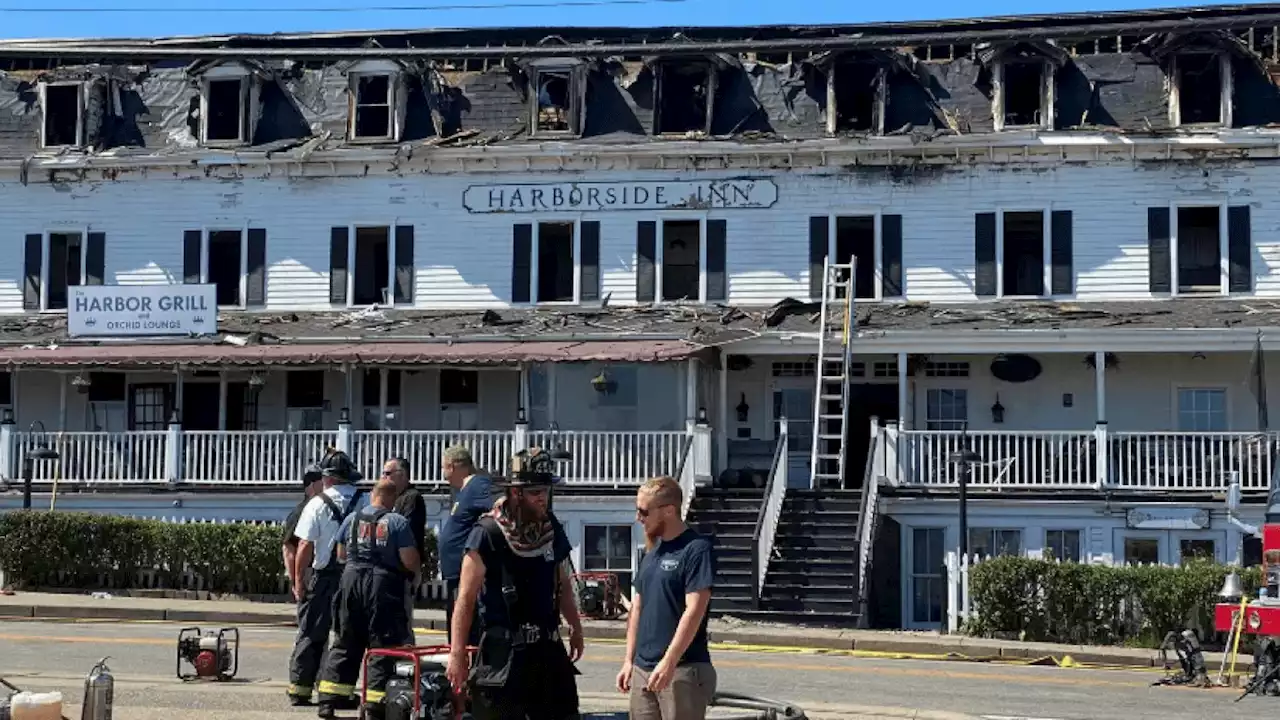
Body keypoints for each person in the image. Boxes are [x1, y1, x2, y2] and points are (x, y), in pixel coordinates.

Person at [446, 447, 584, 720]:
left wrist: (576, 627)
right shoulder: (487, 533)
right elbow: (465, 598)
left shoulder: (551, 528)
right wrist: (457, 653)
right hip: (504, 657)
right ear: (516, 493)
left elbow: (563, 584)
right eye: (535, 492)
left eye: (546, 491)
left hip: (547, 651)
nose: (543, 498)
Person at [316, 478, 421, 719]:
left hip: (351, 581)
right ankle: (375, 703)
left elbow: (341, 553)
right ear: (392, 498)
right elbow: (408, 559)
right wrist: (414, 578)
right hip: (382, 587)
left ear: (373, 495)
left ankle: (329, 699)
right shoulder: (396, 522)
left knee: (345, 639)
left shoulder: (351, 520)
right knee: (382, 643)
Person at [616, 476, 717, 720]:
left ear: (669, 511)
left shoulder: (696, 549)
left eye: (643, 511)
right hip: (643, 669)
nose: (638, 517)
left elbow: (694, 610)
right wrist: (629, 660)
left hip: (681, 669)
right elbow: (637, 608)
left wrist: (669, 661)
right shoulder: (652, 554)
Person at [286, 449, 369, 708]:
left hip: (324, 578)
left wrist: (299, 581)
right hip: (354, 578)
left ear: (327, 478)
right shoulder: (365, 500)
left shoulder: (317, 503)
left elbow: (304, 547)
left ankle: (300, 689)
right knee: (347, 637)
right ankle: (338, 692)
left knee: (312, 633)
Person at [436, 445, 494, 645]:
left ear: (451, 467)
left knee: (468, 633)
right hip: (455, 574)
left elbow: (498, 502)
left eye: (444, 468)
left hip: (467, 573)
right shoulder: (463, 491)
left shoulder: (478, 484)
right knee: (457, 631)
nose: (444, 475)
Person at [282, 465, 324, 592]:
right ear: (312, 484)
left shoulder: (324, 508)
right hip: (308, 573)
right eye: (322, 481)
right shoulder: (299, 513)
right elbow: (289, 549)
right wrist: (296, 582)